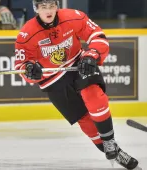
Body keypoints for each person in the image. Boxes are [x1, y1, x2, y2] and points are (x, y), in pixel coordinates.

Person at [14, 0, 141, 169]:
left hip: (78, 64)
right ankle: (115, 153)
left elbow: (98, 35)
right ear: (36, 9)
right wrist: (30, 70)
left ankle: (110, 142)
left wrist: (92, 55)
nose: (48, 10)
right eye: (43, 7)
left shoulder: (74, 17)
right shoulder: (26, 34)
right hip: (52, 78)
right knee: (85, 120)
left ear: (57, 6)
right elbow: (22, 65)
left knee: (93, 95)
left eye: (51, 5)